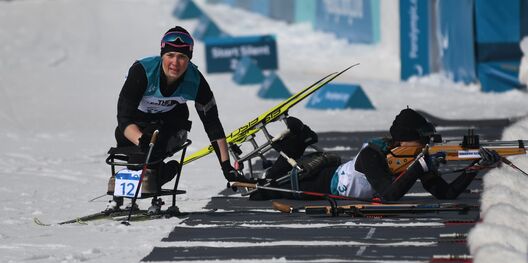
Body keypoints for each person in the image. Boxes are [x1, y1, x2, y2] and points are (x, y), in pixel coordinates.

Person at [250, 107, 501, 201]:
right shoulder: (373, 154)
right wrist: (420, 167)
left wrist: (474, 168)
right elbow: (389, 195)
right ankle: (297, 142)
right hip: (317, 179)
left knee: (269, 186)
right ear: (405, 139)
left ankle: (300, 142)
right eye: (421, 139)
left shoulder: (412, 159)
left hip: (328, 174)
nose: (425, 144)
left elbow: (445, 194)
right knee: (263, 190)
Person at [113, 26, 248, 193]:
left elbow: (213, 124)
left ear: (189, 59)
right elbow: (124, 118)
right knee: (127, 142)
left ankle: (155, 176)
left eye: (182, 57)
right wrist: (143, 142)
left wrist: (226, 166)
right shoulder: (142, 71)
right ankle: (148, 176)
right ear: (162, 55)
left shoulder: (196, 81)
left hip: (171, 125)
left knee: (157, 147)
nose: (175, 63)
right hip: (138, 125)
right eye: (170, 55)